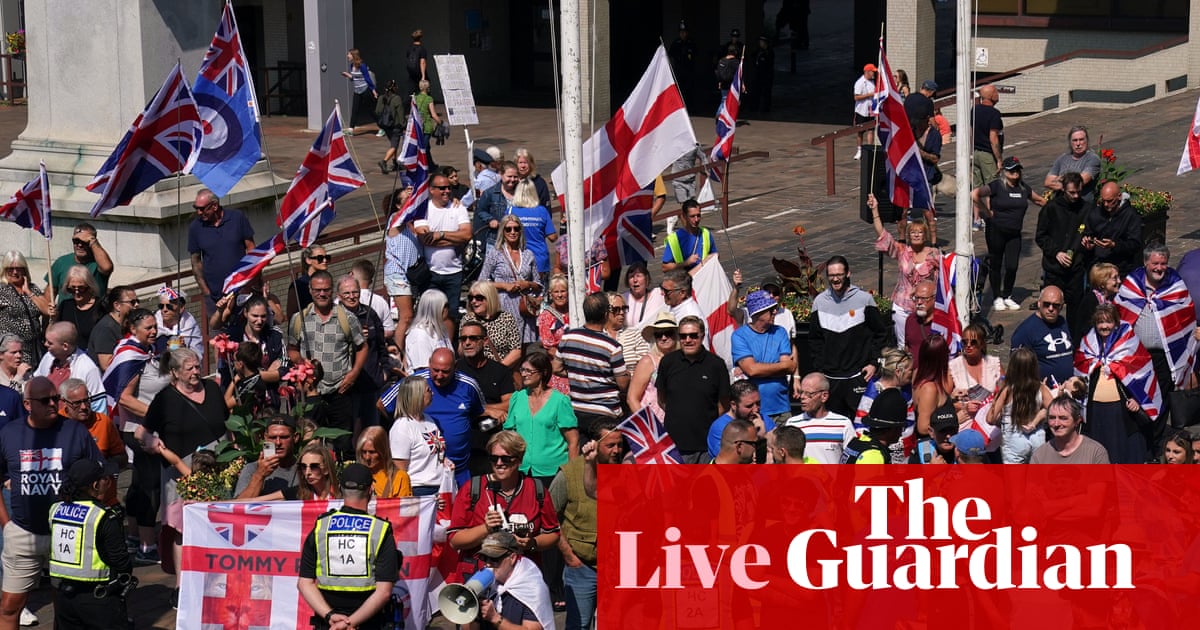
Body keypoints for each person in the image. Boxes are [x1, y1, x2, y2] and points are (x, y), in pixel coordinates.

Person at [0, 377, 102, 630]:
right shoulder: (9, 433)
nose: (53, 404)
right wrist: (6, 525)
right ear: (27, 404)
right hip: (23, 531)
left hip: (68, 532)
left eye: (56, 398)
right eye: (45, 400)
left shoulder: (75, 431)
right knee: (9, 606)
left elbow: (100, 475)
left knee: (67, 605)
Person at [448, 431, 560, 586]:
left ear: (519, 459)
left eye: (506, 459)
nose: (499, 463)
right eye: (494, 458)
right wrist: (485, 528)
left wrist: (532, 543)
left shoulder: (536, 489)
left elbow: (553, 535)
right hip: (479, 578)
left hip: (522, 579)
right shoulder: (473, 489)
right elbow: (454, 541)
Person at [298, 463, 399, 630]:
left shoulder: (321, 526)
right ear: (370, 489)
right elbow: (384, 592)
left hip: (327, 624)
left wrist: (330, 616)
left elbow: (304, 583)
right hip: (368, 623)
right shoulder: (380, 530)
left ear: (340, 489)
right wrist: (349, 623)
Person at [287, 270, 367, 458]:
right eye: (317, 290)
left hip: (340, 391)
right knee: (311, 443)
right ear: (310, 290)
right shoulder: (299, 319)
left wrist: (354, 374)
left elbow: (362, 347)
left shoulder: (347, 318)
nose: (322, 294)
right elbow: (292, 347)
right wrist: (300, 362)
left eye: (326, 290)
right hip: (312, 393)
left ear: (332, 291)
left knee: (343, 443)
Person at [550, 420, 620, 630]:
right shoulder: (569, 474)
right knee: (578, 624)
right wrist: (568, 554)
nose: (616, 450)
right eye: (610, 445)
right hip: (582, 565)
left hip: (617, 565)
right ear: (594, 444)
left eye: (620, 445)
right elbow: (549, 516)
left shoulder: (626, 470)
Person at [47, 459, 132, 630]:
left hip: (64, 597)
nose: (108, 483)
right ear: (95, 485)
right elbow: (121, 561)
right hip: (99, 599)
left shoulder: (55, 510)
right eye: (105, 479)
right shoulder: (104, 516)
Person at [1076, 304, 1159, 464]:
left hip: (1121, 412)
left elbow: (1143, 373)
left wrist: (1137, 399)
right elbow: (1079, 373)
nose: (1104, 326)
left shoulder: (1129, 343)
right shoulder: (1087, 344)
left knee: (1122, 456)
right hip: (1095, 411)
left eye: (1108, 322)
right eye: (1100, 322)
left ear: (1116, 323)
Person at [1114, 244, 1198, 399]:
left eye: (1163, 263)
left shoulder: (1175, 285)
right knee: (1139, 398)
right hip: (1138, 355)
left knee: (1164, 399)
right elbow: (1118, 317)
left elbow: (1187, 318)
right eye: (1155, 263)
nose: (1159, 268)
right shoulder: (1131, 285)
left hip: (1167, 356)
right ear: (1146, 263)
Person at [810, 256, 888, 417]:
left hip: (858, 376)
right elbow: (815, 339)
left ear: (848, 274)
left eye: (839, 274)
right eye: (831, 275)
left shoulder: (864, 299)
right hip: (830, 378)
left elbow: (880, 334)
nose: (835, 279)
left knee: (861, 423)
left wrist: (873, 363)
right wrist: (819, 369)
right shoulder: (819, 302)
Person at [972, 156, 1046, 311]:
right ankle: (997, 296)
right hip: (996, 230)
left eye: (1017, 169)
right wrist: (987, 212)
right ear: (1004, 171)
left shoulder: (1024, 188)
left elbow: (1039, 201)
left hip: (1014, 233)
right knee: (996, 264)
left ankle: (1007, 295)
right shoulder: (997, 186)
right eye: (1012, 170)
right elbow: (975, 194)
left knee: (1012, 265)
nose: (1015, 173)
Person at [656, 315, 731, 463]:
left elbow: (723, 404)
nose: (688, 340)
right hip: (674, 445)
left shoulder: (716, 365)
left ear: (702, 335)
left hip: (706, 446)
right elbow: (662, 399)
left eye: (693, 335)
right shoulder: (668, 362)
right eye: (683, 336)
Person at [868, 195, 941, 343]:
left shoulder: (934, 254)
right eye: (913, 232)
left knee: (926, 342)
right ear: (908, 235)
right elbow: (883, 235)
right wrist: (875, 210)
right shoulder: (902, 251)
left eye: (920, 232)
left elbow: (942, 281)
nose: (916, 235)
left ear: (925, 235)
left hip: (925, 307)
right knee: (904, 344)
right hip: (902, 306)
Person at [558, 293, 628, 437]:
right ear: (605, 314)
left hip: (576, 410)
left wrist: (576, 373)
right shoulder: (612, 346)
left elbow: (556, 368)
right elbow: (623, 384)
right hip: (605, 413)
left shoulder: (567, 337)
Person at [416, 349, 485, 486]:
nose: (439, 376)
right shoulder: (416, 382)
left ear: (455, 367)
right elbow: (383, 405)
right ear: (429, 364)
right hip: (424, 474)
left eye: (445, 371)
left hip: (459, 471)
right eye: (435, 370)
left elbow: (478, 411)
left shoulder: (468, 385)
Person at [504, 351, 578, 477]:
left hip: (554, 471)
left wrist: (572, 475)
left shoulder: (559, 401)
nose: (524, 374)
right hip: (522, 469)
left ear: (543, 372)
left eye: (529, 371)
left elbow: (573, 441)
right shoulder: (517, 398)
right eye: (522, 370)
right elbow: (508, 435)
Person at [732, 290, 797, 424]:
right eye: (770, 309)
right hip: (753, 411)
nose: (775, 312)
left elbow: (790, 366)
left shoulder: (780, 332)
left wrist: (758, 368)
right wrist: (778, 367)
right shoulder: (739, 336)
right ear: (757, 312)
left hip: (781, 409)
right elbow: (752, 370)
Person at [413, 173, 472, 321]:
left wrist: (440, 235)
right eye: (442, 188)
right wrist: (455, 238)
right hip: (431, 272)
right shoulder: (423, 209)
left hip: (454, 272)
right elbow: (425, 239)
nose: (446, 191)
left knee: (451, 314)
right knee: (430, 314)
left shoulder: (458, 208)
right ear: (431, 190)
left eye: (448, 187)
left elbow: (466, 235)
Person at [187, 189, 255, 312]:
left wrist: (250, 284)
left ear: (214, 206)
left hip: (243, 292)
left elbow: (251, 249)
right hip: (215, 298)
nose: (198, 212)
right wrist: (206, 293)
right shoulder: (195, 227)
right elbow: (196, 262)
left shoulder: (237, 217)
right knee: (219, 331)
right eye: (195, 208)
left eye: (202, 209)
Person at [475, 530, 556, 630]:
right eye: (485, 558)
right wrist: (473, 615)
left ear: (512, 558)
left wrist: (495, 619)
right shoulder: (486, 584)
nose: (488, 564)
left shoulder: (531, 588)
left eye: (494, 559)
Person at [338, 275, 389, 432]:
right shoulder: (336, 317)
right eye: (347, 293)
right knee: (349, 431)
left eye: (355, 292)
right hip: (346, 386)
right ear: (339, 296)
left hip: (371, 383)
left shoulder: (370, 314)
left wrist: (385, 371)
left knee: (372, 430)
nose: (352, 296)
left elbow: (382, 345)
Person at [58, 378, 125, 497]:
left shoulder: (103, 422)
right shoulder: (57, 424)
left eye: (86, 400)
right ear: (64, 402)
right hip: (69, 498)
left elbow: (121, 457)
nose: (84, 407)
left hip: (103, 498)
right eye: (77, 403)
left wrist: (100, 468)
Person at [986, 347, 1053, 463]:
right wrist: (1040, 416)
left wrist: (999, 418)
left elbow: (990, 419)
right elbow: (1056, 410)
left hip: (1013, 439)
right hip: (1037, 438)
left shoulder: (1007, 390)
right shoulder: (1041, 388)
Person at [1036, 171, 1091, 314]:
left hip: (1076, 268)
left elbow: (1091, 231)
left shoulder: (1087, 208)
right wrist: (1056, 253)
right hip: (1054, 268)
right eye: (1072, 193)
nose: (1076, 196)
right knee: (1051, 308)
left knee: (1076, 310)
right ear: (1063, 189)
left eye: (1079, 192)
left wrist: (1089, 241)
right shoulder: (1051, 208)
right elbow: (1041, 236)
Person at [387, 375, 449, 497]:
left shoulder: (429, 420)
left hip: (440, 487)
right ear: (417, 395)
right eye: (428, 390)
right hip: (418, 490)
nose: (432, 393)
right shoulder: (402, 427)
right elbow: (400, 470)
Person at [482, 215, 540, 342]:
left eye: (516, 228)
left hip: (524, 308)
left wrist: (528, 284)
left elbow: (539, 285)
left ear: (520, 231)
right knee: (506, 347)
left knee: (523, 350)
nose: (512, 232)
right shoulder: (495, 254)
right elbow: (481, 282)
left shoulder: (528, 254)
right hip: (503, 306)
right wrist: (503, 285)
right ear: (502, 231)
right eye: (508, 229)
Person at [34, 322, 105, 414]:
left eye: (50, 343)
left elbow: (99, 406)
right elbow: (36, 385)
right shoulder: (48, 357)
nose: (45, 345)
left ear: (65, 346)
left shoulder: (88, 368)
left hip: (72, 425)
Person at [784, 373, 855, 464]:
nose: (802, 397)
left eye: (809, 394)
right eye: (801, 392)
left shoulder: (843, 424)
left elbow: (852, 459)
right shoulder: (793, 424)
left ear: (824, 396)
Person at [458, 320, 516, 430]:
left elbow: (510, 404)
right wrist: (487, 411)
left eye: (473, 338)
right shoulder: (455, 370)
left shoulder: (500, 370)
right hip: (464, 432)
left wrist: (473, 408)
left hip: (494, 433)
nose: (467, 342)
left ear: (485, 341)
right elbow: (453, 405)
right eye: (463, 338)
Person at [1010, 285, 1074, 384]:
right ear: (1039, 303)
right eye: (1046, 304)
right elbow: (1017, 366)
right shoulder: (1026, 330)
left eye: (1056, 305)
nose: (1051, 308)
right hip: (1042, 391)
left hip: (1067, 389)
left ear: (1061, 306)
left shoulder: (1062, 322)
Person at [0, 251, 52, 367]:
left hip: (34, 348)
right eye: (10, 268)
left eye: (19, 268)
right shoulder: (2, 290)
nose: (15, 272)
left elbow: (47, 311)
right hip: (11, 350)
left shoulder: (33, 289)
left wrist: (28, 292)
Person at [1082, 181, 1143, 276]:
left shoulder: (1130, 215)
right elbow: (1087, 231)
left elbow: (1135, 244)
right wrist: (1088, 242)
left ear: (1119, 197)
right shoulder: (1096, 213)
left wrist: (1114, 245)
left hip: (1121, 268)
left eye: (1110, 201)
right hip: (1099, 266)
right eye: (1104, 201)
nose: (1106, 204)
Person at [506, 179, 558, 287]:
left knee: (518, 295)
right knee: (540, 292)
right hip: (539, 258)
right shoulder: (541, 211)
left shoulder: (511, 211)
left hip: (518, 259)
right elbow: (553, 237)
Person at [234, 415, 300, 499]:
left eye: (284, 437)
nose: (278, 442)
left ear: (295, 437)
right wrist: (260, 475)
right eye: (273, 437)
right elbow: (238, 507)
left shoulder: (304, 469)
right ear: (266, 437)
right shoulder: (252, 469)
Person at [1031, 395, 1111, 464]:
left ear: (1077, 421)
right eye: (1052, 418)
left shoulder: (1095, 453)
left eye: (1063, 418)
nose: (1056, 424)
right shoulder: (1040, 455)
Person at [627, 311, 678, 417]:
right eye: (659, 334)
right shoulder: (648, 362)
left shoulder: (682, 360)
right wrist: (648, 424)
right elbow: (632, 398)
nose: (663, 337)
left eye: (668, 333)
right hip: (654, 424)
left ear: (675, 334)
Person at [706, 380, 772, 462]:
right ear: (733, 405)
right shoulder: (721, 428)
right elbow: (729, 461)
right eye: (749, 406)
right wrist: (761, 438)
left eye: (758, 403)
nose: (755, 409)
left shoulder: (763, 419)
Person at [47, 224, 114, 305]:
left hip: (93, 315)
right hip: (66, 315)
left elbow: (107, 268)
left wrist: (92, 241)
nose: (80, 245)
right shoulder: (61, 262)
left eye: (84, 242)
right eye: (76, 241)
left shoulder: (98, 263)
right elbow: (49, 295)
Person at [463, 281, 524, 367]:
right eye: (471, 298)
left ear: (490, 298)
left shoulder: (506, 318)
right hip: (474, 370)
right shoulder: (468, 320)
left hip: (502, 369)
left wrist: (497, 371)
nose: (473, 301)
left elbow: (516, 351)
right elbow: (461, 350)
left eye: (478, 298)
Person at [841, 388, 908, 463]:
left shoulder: (857, 442)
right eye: (900, 428)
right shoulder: (874, 456)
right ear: (890, 430)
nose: (901, 434)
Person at [970, 85, 1004, 229]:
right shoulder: (994, 114)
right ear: (991, 96)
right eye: (996, 92)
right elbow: (993, 137)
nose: (998, 94)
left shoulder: (974, 110)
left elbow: (971, 132)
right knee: (992, 188)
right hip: (987, 155)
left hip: (975, 153)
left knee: (976, 187)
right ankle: (993, 218)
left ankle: (976, 220)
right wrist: (999, 159)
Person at [948, 322, 1003, 409]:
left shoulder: (995, 364)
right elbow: (944, 402)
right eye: (964, 342)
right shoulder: (953, 367)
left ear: (982, 344)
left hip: (989, 417)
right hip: (965, 418)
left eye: (973, 342)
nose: (968, 345)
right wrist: (963, 406)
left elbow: (1005, 393)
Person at [1043, 125, 1101, 202]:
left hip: (1081, 206)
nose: (1078, 143)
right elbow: (1047, 182)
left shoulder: (1092, 159)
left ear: (1087, 141)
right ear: (1070, 142)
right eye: (1075, 140)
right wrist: (1068, 182)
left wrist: (1060, 179)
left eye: (1081, 140)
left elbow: (1080, 181)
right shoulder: (1062, 158)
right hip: (1061, 206)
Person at [86, 285, 137, 371]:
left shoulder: (126, 325)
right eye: (132, 302)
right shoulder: (106, 329)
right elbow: (106, 365)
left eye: (137, 301)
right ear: (117, 305)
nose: (136, 305)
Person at [55, 265, 104, 352]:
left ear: (89, 286)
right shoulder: (65, 305)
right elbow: (54, 334)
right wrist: (52, 318)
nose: (76, 292)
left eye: (81, 288)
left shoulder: (101, 306)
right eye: (72, 288)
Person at [662, 199, 716, 273]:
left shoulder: (706, 233)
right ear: (684, 216)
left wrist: (714, 257)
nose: (696, 219)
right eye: (692, 216)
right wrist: (686, 263)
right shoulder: (674, 239)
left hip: (703, 278)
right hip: (684, 281)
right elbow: (665, 267)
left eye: (698, 215)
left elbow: (714, 255)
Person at [405, 289, 452, 372]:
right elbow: (423, 371)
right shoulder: (419, 335)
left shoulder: (440, 328)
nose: (448, 309)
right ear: (435, 308)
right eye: (445, 306)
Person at [659, 270, 707, 345]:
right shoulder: (674, 306)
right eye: (661, 288)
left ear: (682, 293)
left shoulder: (691, 315)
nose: (662, 293)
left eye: (666, 291)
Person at [341, 48, 377, 134]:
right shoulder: (351, 66)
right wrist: (348, 75)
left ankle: (382, 127)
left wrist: (373, 90)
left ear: (353, 55)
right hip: (357, 91)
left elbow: (367, 78)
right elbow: (355, 78)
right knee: (355, 109)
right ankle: (351, 129)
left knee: (371, 110)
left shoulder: (362, 66)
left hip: (365, 90)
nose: (347, 56)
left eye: (349, 54)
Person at [288, 244, 331, 314]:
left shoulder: (327, 280)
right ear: (308, 260)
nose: (325, 260)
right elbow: (292, 314)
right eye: (320, 258)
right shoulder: (298, 285)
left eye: (327, 257)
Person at [375, 79, 405, 173]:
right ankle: (384, 161)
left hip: (385, 125)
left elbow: (377, 111)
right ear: (394, 88)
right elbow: (400, 114)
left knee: (393, 144)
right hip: (395, 125)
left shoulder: (381, 98)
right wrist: (403, 124)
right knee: (394, 146)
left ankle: (395, 163)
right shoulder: (397, 98)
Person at [538, 275, 571, 355]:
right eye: (556, 292)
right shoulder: (545, 316)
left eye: (563, 291)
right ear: (551, 294)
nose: (560, 295)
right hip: (558, 358)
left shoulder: (575, 310)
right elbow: (549, 347)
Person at [413, 79, 442, 165]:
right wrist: (440, 122)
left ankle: (431, 164)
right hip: (426, 126)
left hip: (417, 126)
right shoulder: (429, 99)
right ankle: (422, 166)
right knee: (424, 148)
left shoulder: (415, 98)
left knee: (426, 147)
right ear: (427, 88)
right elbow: (433, 115)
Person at [852, 64, 877, 160]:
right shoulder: (860, 83)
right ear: (867, 72)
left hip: (870, 109)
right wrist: (869, 95)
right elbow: (856, 97)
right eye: (872, 72)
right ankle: (859, 150)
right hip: (861, 110)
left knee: (871, 130)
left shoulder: (872, 81)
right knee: (860, 131)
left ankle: (869, 149)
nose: (874, 73)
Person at [748, 35, 775, 114]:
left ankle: (766, 109)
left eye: (762, 42)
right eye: (760, 42)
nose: (760, 43)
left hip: (766, 75)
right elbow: (753, 56)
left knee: (766, 92)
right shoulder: (759, 51)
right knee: (756, 91)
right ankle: (754, 107)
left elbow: (768, 63)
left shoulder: (769, 52)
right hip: (758, 74)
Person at [405, 29, 429, 98]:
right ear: (421, 38)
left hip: (411, 73)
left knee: (411, 91)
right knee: (424, 91)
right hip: (419, 73)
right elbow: (422, 62)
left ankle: (408, 106)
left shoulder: (409, 48)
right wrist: (423, 76)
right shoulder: (422, 49)